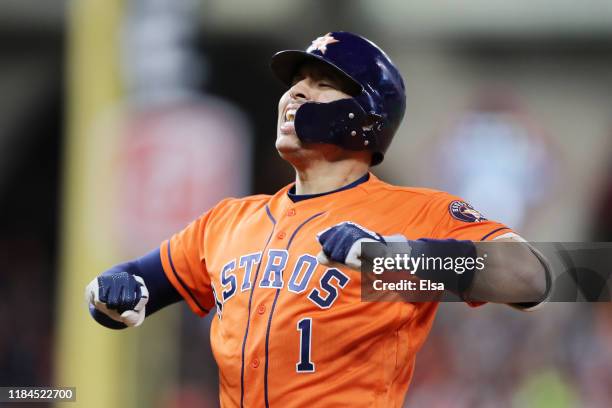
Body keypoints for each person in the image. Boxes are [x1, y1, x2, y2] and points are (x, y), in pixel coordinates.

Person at [85, 31, 549, 407]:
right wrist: (105, 292)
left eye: (322, 82)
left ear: (367, 115)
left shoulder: (414, 213)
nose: (296, 92)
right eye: (296, 81)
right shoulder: (229, 220)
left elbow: (532, 278)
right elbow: (134, 280)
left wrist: (391, 258)